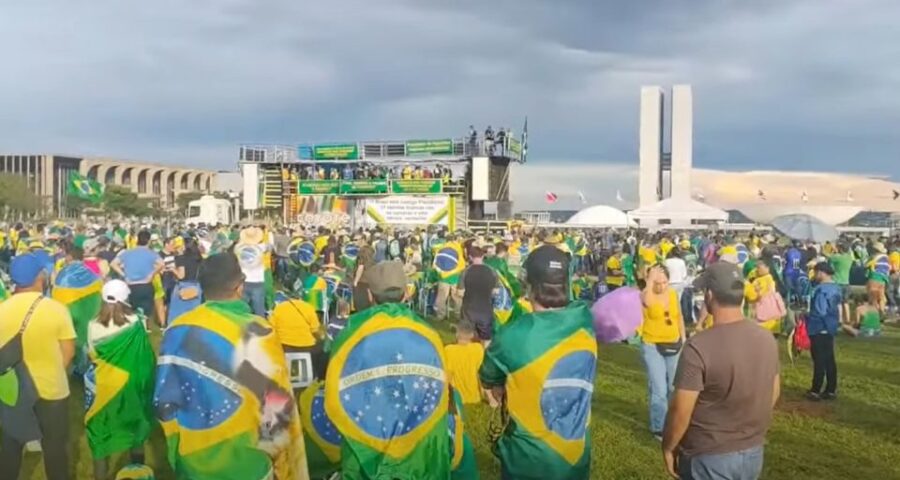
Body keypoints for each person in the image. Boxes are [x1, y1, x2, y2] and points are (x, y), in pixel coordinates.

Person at [154, 253, 308, 479]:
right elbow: (277, 405)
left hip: (193, 458)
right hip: (248, 462)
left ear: (202, 288)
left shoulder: (177, 330)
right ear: (239, 287)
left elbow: (163, 401)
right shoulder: (260, 332)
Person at [325, 260, 451, 479]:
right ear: (406, 295)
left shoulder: (350, 333)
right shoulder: (430, 334)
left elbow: (337, 385)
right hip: (419, 452)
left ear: (371, 297)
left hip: (368, 439)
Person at [480, 245, 597, 480]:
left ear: (529, 286)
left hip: (527, 459)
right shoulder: (585, 322)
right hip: (575, 455)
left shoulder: (514, 334)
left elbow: (487, 376)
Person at [663, 262, 780, 480]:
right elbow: (773, 392)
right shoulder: (766, 339)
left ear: (709, 295)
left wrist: (669, 446)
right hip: (752, 451)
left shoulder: (698, 346)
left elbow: (680, 410)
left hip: (708, 454)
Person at [0, 253, 76, 480]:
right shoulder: (56, 309)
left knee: (9, 448)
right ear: (39, 277)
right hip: (51, 389)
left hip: (11, 390)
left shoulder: (2, 309)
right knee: (54, 448)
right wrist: (55, 371)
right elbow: (69, 351)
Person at [85, 280, 155, 480]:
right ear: (127, 299)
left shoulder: (92, 325)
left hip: (105, 387)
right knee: (136, 427)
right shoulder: (137, 322)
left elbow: (92, 354)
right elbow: (144, 353)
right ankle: (138, 472)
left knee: (101, 432)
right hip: (132, 384)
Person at [639, 264, 685, 440]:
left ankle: (674, 421)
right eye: (658, 283)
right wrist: (650, 281)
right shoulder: (645, 294)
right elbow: (648, 302)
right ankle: (659, 426)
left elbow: (678, 316)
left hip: (673, 343)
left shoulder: (672, 294)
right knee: (659, 388)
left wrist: (683, 337)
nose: (662, 286)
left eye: (665, 282)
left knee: (675, 386)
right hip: (652, 345)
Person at [111, 230, 164, 326]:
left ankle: (135, 328)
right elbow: (161, 264)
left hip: (131, 285)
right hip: (145, 284)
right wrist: (152, 274)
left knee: (132, 310)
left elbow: (113, 264)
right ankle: (144, 328)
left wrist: (124, 275)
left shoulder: (127, 253)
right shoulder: (151, 253)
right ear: (148, 241)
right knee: (146, 311)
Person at [268, 292, 326, 379]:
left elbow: (271, 329)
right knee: (323, 350)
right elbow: (315, 331)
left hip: (285, 348)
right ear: (301, 297)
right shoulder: (308, 307)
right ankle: (317, 377)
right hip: (307, 348)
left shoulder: (279, 308)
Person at [806, 262, 842, 401]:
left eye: (815, 272)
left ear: (821, 272)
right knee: (830, 360)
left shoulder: (821, 290)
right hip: (830, 327)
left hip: (819, 326)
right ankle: (831, 389)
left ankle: (815, 389)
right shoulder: (836, 288)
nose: (814, 275)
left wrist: (806, 315)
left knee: (819, 360)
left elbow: (820, 311)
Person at [458, 246, 499, 343]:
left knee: (466, 337)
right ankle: (484, 356)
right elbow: (496, 292)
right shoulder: (492, 271)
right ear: (483, 256)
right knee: (486, 339)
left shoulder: (465, 272)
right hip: (485, 309)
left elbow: (460, 293)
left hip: (469, 309)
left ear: (470, 257)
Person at [444, 320, 484, 405]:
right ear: (472, 335)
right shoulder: (478, 349)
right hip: (475, 398)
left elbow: (448, 376)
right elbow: (481, 374)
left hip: (456, 399)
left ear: (457, 334)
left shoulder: (449, 350)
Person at [234, 227, 270, 317]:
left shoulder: (238, 248)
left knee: (242, 309)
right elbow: (270, 246)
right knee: (259, 309)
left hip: (243, 281)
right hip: (258, 282)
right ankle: (260, 326)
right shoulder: (262, 247)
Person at [168, 236, 203, 324]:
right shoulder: (199, 259)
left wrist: (173, 269)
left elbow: (181, 275)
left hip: (183, 286)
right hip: (196, 286)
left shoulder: (181, 258)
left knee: (177, 316)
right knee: (193, 314)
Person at [829, 242, 855, 325]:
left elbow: (830, 264)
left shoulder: (835, 258)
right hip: (846, 282)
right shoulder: (849, 258)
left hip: (837, 281)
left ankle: (839, 320)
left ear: (840, 248)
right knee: (846, 302)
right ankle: (847, 319)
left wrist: (834, 251)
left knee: (838, 303)